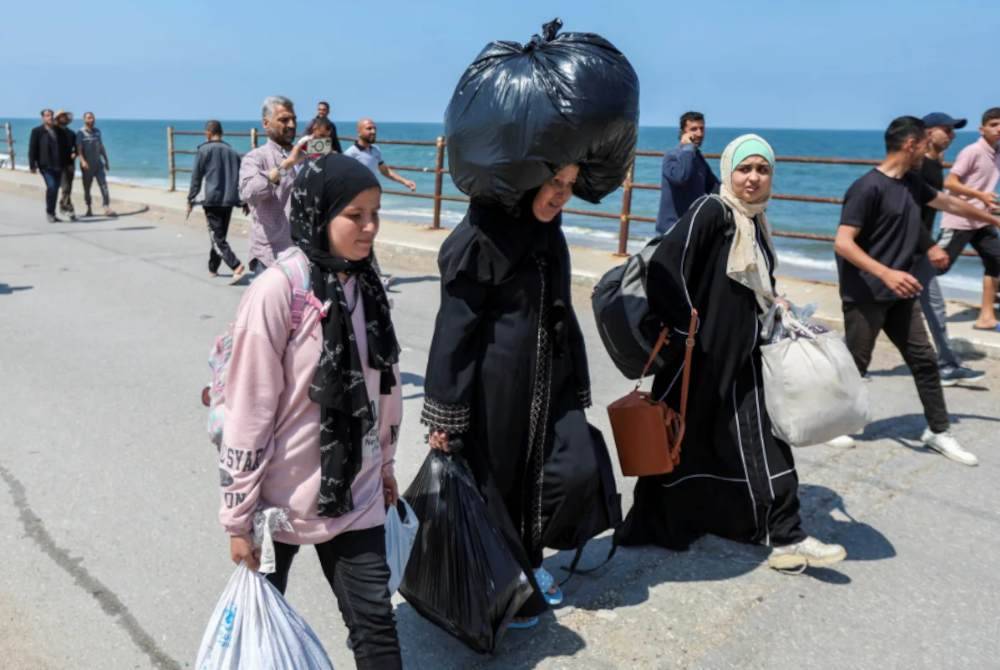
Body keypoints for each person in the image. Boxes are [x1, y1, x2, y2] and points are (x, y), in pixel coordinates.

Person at [616, 134, 846, 572]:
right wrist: (687, 327)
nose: (753, 178)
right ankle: (659, 523)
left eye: (762, 169)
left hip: (741, 357)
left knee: (761, 439)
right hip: (696, 358)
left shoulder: (755, 221)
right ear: (728, 172)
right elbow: (667, 266)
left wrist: (774, 302)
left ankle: (785, 534)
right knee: (678, 442)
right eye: (745, 169)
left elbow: (753, 282)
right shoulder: (712, 211)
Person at [221, 154, 403, 669]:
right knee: (260, 636)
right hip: (278, 500)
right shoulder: (277, 291)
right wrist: (238, 520)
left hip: (355, 490)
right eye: (355, 215)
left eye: (376, 213)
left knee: (375, 625)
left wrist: (385, 464)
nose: (369, 228)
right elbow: (248, 409)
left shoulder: (367, 284)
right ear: (319, 213)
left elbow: (383, 390)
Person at [422, 165, 619, 627]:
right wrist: (445, 411)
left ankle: (526, 564)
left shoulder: (548, 233)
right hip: (493, 389)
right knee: (501, 486)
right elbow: (454, 328)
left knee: (570, 470)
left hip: (549, 380)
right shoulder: (480, 236)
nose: (562, 195)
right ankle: (513, 578)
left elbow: (558, 308)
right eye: (554, 182)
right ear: (525, 178)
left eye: (570, 186)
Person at [834, 116, 1000, 467]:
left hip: (902, 292)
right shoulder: (867, 188)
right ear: (911, 145)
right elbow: (843, 243)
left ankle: (938, 431)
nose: (929, 149)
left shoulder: (912, 184)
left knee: (924, 360)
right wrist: (886, 273)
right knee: (856, 363)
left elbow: (950, 204)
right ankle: (836, 421)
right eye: (924, 143)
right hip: (865, 293)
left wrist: (993, 219)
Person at [913, 113, 984, 385]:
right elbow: (910, 213)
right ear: (929, 133)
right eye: (947, 130)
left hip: (915, 250)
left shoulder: (932, 164)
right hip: (907, 250)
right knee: (876, 311)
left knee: (932, 307)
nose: (952, 135)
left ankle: (947, 364)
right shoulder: (921, 167)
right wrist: (930, 245)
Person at [937, 107, 1000, 332]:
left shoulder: (997, 152)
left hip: (982, 221)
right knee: (937, 266)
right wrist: (980, 195)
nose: (999, 129)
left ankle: (986, 317)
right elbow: (950, 183)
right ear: (981, 129)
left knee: (997, 262)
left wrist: (987, 201)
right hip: (960, 220)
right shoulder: (972, 151)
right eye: (994, 125)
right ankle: (898, 301)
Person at [239, 95, 298, 272]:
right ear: (266, 124)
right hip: (271, 257)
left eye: (293, 119)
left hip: (303, 255)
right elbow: (248, 193)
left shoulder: (304, 154)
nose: (292, 125)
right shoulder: (256, 157)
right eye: (284, 120)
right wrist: (285, 166)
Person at [187, 120, 247, 284]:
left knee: (217, 238)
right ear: (221, 133)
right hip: (228, 200)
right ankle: (213, 267)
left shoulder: (203, 150)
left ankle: (236, 266)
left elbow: (196, 177)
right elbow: (241, 180)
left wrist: (190, 199)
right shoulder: (232, 152)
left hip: (212, 200)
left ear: (207, 133)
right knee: (219, 236)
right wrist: (243, 201)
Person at [655, 111, 720, 234]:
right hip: (672, 229)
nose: (700, 133)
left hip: (692, 227)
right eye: (694, 129)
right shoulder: (672, 156)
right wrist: (688, 148)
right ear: (683, 132)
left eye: (702, 128)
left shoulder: (697, 158)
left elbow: (715, 187)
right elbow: (681, 177)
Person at [344, 119, 417, 192]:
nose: (373, 132)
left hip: (373, 194)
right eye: (369, 128)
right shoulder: (350, 153)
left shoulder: (375, 150)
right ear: (359, 132)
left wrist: (405, 181)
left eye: (374, 129)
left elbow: (385, 171)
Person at [76, 111, 116, 218]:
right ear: (84, 120)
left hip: (98, 164)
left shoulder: (97, 131)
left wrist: (106, 160)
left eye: (92, 118)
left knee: (104, 186)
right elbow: (79, 149)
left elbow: (101, 147)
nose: (91, 120)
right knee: (87, 188)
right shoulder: (80, 133)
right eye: (89, 118)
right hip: (87, 166)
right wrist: (83, 161)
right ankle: (89, 208)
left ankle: (106, 207)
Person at [28, 109, 64, 222]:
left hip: (58, 165)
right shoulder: (37, 131)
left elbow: (64, 146)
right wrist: (32, 165)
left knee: (55, 189)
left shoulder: (58, 131)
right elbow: (32, 148)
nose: (50, 117)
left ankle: (52, 213)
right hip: (45, 165)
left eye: (51, 115)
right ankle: (49, 212)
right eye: (47, 116)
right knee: (52, 186)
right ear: (43, 118)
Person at [54, 110, 78, 221]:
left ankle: (63, 205)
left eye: (65, 117)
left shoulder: (72, 133)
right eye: (61, 117)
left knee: (68, 187)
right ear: (58, 119)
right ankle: (68, 209)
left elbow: (76, 147)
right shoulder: (53, 131)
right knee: (66, 187)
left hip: (70, 163)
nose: (63, 118)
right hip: (58, 164)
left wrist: (75, 153)